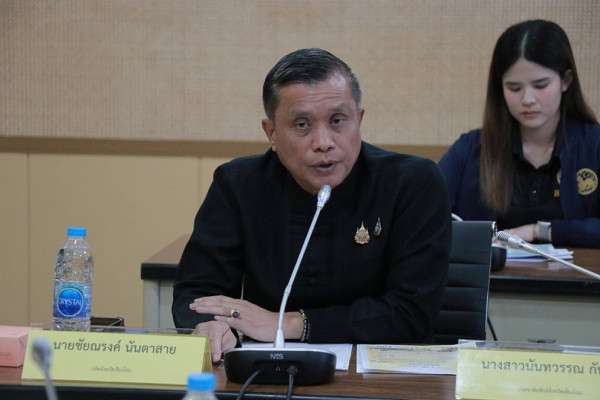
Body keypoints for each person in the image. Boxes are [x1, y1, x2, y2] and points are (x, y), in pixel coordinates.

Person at [173, 48, 451, 363]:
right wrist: (211, 326)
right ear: (271, 133)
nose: (323, 142)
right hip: (269, 371)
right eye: (302, 124)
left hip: (387, 373)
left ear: (358, 120)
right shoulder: (238, 184)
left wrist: (286, 324)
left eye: (337, 121)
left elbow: (412, 312)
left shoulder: (412, 182)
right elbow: (198, 291)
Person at [439, 20, 600, 248]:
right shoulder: (470, 149)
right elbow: (424, 216)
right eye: (514, 88)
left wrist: (542, 231)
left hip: (576, 272)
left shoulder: (594, 145)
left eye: (540, 85)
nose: (527, 99)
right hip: (494, 272)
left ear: (566, 81)